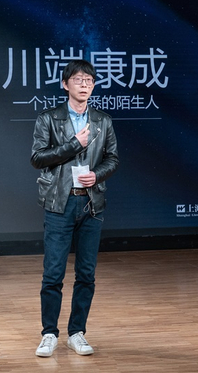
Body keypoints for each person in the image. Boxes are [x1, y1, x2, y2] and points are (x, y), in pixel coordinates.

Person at [30, 59, 119, 357]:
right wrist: (73, 144)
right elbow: (37, 158)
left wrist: (98, 175)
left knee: (86, 273)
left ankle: (77, 332)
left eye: (89, 80)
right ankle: (49, 334)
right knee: (53, 273)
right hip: (60, 202)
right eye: (79, 79)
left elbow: (112, 159)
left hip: (91, 203)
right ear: (65, 84)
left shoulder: (103, 120)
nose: (85, 84)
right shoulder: (49, 119)